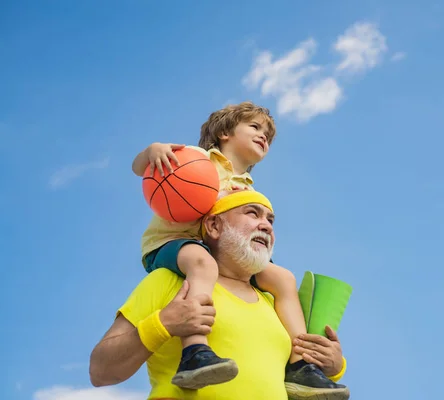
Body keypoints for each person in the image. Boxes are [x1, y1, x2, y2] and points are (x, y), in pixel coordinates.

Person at [130, 101, 347, 397]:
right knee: (203, 263)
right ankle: (195, 349)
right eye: (255, 127)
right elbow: (138, 167)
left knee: (283, 278)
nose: (263, 136)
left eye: (268, 135)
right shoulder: (198, 159)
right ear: (224, 134)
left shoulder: (248, 186)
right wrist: (153, 150)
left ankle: (301, 366)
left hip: (214, 250)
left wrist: (334, 364)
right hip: (171, 243)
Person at [89, 191, 349, 400]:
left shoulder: (276, 303)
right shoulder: (169, 281)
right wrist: (164, 324)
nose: (266, 226)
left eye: (271, 220)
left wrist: (333, 366)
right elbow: (100, 371)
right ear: (213, 226)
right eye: (252, 213)